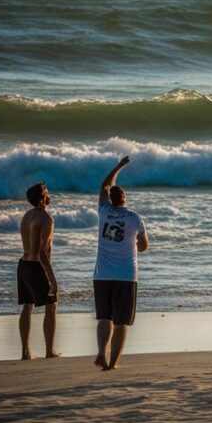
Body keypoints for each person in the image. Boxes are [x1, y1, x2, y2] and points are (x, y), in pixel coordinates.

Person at [93, 156, 149, 371]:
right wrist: (132, 242)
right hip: (126, 276)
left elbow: (105, 184)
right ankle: (113, 363)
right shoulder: (135, 218)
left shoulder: (103, 212)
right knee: (121, 323)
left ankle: (100, 353)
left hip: (101, 275)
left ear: (110, 199)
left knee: (104, 318)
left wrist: (119, 166)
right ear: (125, 199)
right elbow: (144, 246)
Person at [17, 182, 59, 360]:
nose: (49, 194)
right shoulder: (46, 219)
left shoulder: (27, 216)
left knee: (28, 306)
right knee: (51, 306)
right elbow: (42, 252)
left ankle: (25, 352)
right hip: (36, 267)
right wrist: (52, 279)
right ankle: (50, 351)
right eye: (47, 192)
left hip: (23, 265)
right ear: (42, 200)